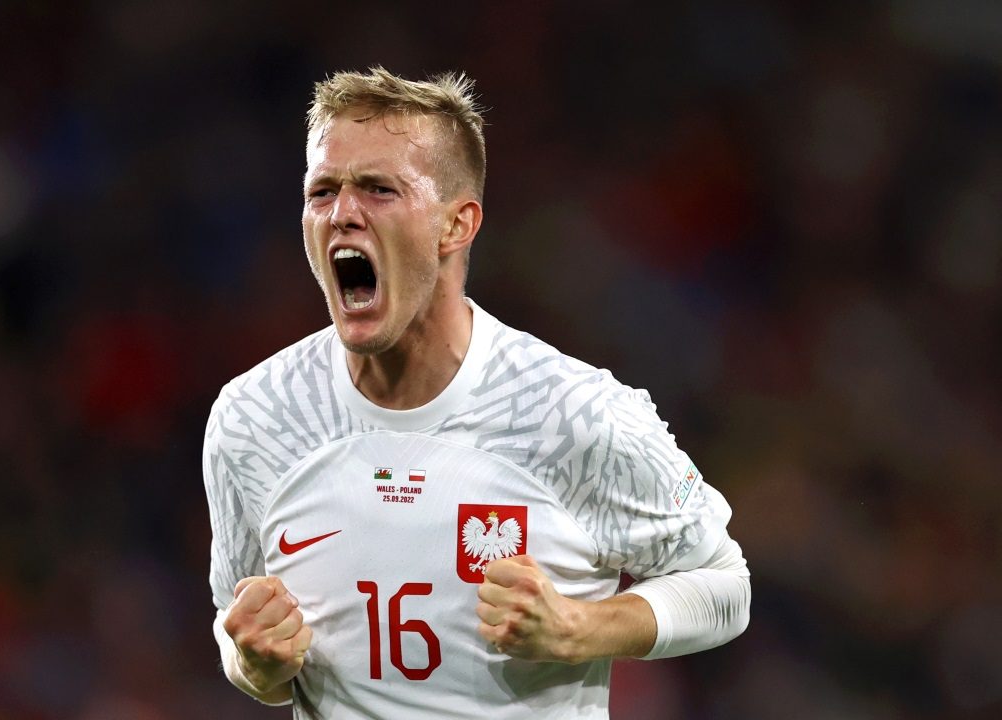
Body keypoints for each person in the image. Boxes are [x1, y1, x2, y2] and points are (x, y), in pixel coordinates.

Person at [204, 67, 750, 719]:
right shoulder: (254, 418)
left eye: (379, 189)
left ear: (455, 225)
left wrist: (579, 628)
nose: (343, 214)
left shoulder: (573, 414)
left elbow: (724, 587)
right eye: (322, 191)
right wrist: (254, 663)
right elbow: (238, 628)